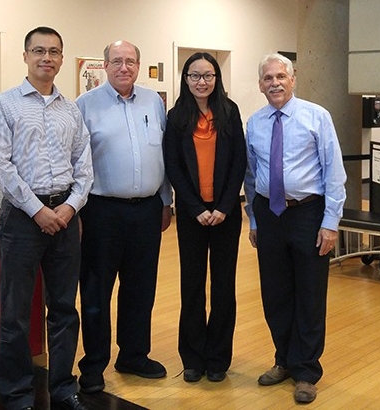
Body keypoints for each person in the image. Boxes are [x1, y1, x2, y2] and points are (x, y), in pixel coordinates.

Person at [0, 26, 93, 410]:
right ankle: (17, 394)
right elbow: (0, 166)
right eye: (39, 51)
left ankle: (63, 387)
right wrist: (38, 211)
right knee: (14, 313)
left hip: (64, 218)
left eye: (54, 52)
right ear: (26, 56)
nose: (47, 58)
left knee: (64, 309)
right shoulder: (5, 105)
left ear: (62, 58)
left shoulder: (71, 109)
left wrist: (69, 207)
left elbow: (84, 165)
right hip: (21, 221)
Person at [243, 53, 346, 404]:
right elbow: (250, 174)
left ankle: (306, 370)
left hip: (307, 214)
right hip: (269, 216)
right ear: (260, 85)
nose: (274, 83)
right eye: (268, 78)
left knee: (310, 294)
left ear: (293, 78)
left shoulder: (317, 117)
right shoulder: (255, 123)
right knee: (275, 294)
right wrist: (254, 219)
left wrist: (330, 224)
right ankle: (283, 360)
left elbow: (334, 173)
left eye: (280, 76)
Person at [75, 40, 172, 394]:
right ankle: (93, 364)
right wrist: (79, 211)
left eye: (130, 61)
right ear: (105, 65)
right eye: (117, 61)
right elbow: (77, 163)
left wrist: (165, 201)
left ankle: (133, 355)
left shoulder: (153, 103)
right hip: (102, 211)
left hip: (147, 210)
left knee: (140, 288)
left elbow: (163, 154)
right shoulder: (84, 106)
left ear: (139, 64)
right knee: (97, 290)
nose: (124, 68)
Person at [163, 52, 246, 383]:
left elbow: (239, 161)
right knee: (192, 286)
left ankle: (218, 359)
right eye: (195, 76)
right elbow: (173, 166)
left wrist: (224, 206)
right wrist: (196, 208)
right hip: (191, 215)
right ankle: (193, 358)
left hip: (226, 214)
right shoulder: (176, 116)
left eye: (208, 76)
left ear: (217, 79)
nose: (202, 82)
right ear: (186, 79)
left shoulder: (230, 112)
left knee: (224, 287)